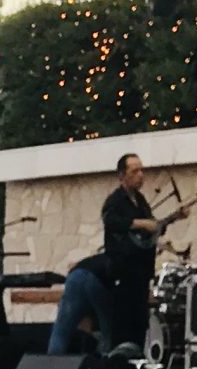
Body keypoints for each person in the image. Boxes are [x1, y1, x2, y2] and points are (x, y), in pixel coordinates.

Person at [101, 153, 185, 352]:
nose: (141, 175)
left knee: (139, 324)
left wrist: (174, 218)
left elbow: (151, 230)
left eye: (141, 170)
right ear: (122, 175)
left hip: (141, 272)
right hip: (123, 273)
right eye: (134, 171)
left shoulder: (140, 200)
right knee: (123, 325)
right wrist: (138, 223)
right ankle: (120, 363)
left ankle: (136, 360)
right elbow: (110, 221)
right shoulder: (116, 200)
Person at [49, 252, 114, 357]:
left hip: (75, 276)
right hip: (97, 280)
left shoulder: (104, 257)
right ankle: (106, 358)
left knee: (61, 331)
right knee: (108, 331)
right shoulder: (123, 260)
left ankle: (52, 361)